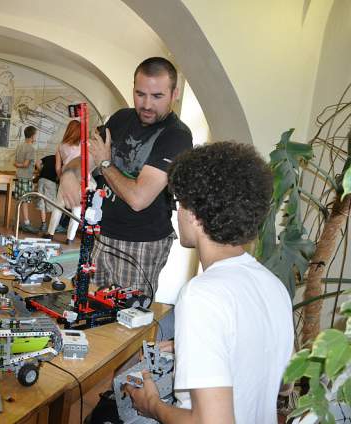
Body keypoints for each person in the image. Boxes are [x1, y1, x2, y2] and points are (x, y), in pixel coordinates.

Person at [123, 142, 294, 424]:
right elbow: (284, 382)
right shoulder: (272, 285)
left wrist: (151, 405)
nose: (177, 213)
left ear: (193, 213)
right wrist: (192, 349)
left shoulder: (202, 295)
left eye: (178, 203)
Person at [74, 57, 193, 294]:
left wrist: (105, 163)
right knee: (88, 303)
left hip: (141, 243)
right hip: (101, 234)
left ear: (174, 94)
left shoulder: (176, 136)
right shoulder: (121, 118)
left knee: (127, 313)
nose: (147, 104)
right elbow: (88, 155)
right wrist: (70, 173)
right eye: (140, 94)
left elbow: (138, 199)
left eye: (157, 96)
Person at [47, 120, 89, 244]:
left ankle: (50, 233)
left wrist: (62, 178)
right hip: (81, 180)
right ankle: (70, 238)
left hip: (66, 178)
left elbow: (57, 167)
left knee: (58, 207)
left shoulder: (61, 146)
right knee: (76, 209)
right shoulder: (85, 145)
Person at [13, 125, 38, 233]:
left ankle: (16, 222)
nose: (36, 137)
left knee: (19, 200)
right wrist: (22, 165)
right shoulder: (31, 149)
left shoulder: (19, 146)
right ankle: (27, 223)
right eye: (35, 135)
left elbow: (15, 163)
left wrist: (18, 165)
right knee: (25, 201)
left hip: (19, 176)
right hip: (26, 177)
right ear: (32, 136)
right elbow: (25, 164)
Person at [34, 154, 59, 235]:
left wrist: (41, 171)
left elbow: (37, 162)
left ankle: (43, 224)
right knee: (52, 203)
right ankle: (53, 225)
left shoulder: (49, 157)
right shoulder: (60, 160)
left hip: (41, 180)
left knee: (42, 202)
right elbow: (59, 170)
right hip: (51, 182)